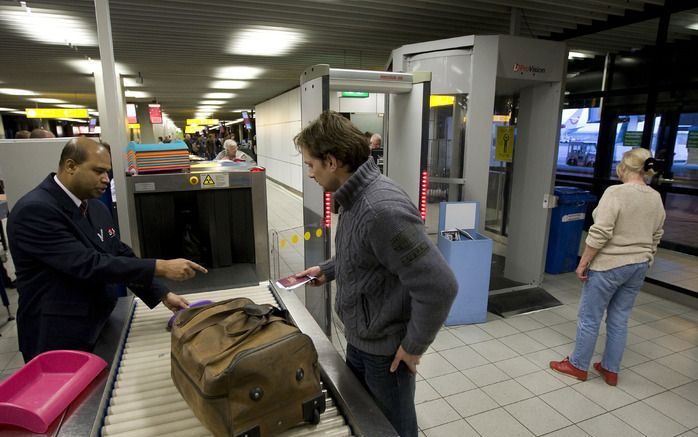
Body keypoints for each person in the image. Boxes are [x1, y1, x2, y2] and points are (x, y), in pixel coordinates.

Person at [293, 111, 457, 437]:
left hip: (386, 356)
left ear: (332, 161)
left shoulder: (380, 209)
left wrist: (413, 347)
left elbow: (440, 286)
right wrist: (328, 269)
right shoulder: (354, 198)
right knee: (367, 424)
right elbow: (368, 255)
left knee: (393, 431)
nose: (309, 173)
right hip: (361, 339)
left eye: (310, 164)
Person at [8, 137, 208, 362]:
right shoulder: (36, 211)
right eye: (98, 171)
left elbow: (117, 252)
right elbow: (87, 264)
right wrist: (159, 266)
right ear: (70, 166)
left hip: (100, 322)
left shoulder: (95, 207)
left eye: (108, 172)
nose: (106, 179)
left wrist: (161, 292)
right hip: (58, 335)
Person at [550, 148, 665, 386]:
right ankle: (610, 369)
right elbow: (657, 234)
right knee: (619, 318)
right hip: (639, 266)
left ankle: (578, 365)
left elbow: (601, 232)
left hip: (610, 265)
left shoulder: (616, 192)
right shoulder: (655, 196)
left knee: (589, 317)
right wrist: (648, 256)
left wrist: (583, 262)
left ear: (624, 166)